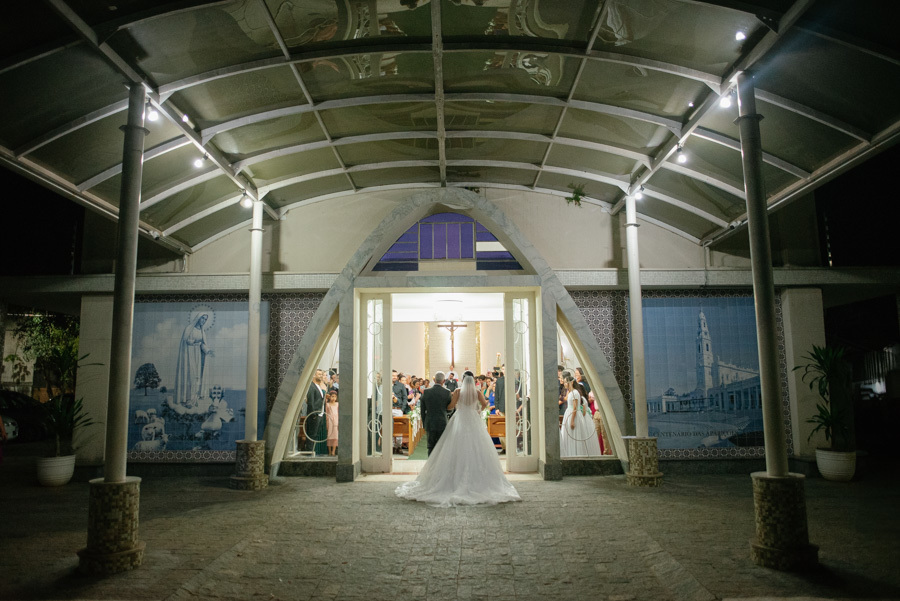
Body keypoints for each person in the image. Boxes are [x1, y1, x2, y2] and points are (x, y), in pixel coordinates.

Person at [396, 371, 522, 507]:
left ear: (462, 380)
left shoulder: (457, 391)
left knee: (455, 445)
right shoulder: (477, 392)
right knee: (477, 447)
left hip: (460, 419)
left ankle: (451, 478)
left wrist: (456, 407)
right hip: (473, 419)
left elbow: (450, 406)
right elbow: (484, 404)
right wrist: (477, 410)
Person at [174, 312, 214, 407]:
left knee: (197, 376)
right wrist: (193, 342)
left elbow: (203, 344)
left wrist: (208, 351)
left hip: (198, 357)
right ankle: (187, 399)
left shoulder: (202, 331)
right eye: (203, 318)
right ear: (198, 318)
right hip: (189, 355)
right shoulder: (189, 329)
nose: (204, 321)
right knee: (190, 376)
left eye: (205, 319)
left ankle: (194, 399)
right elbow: (185, 341)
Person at [560, 376, 603, 457]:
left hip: (573, 414)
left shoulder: (575, 393)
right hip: (569, 413)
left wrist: (572, 420)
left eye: (566, 382)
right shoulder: (570, 392)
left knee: (575, 434)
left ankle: (576, 453)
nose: (565, 384)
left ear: (571, 382)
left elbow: (575, 407)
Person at [419, 371, 452, 456]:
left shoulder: (426, 392)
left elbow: (422, 410)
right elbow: (450, 409)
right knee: (442, 446)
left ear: (434, 380)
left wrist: (424, 423)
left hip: (430, 422)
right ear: (443, 381)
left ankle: (430, 467)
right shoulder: (447, 392)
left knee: (430, 446)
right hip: (442, 422)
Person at [305, 369, 327, 454]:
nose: (321, 376)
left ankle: (312, 451)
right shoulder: (311, 386)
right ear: (314, 375)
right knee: (312, 434)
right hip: (314, 414)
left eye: (322, 374)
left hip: (320, 413)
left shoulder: (318, 386)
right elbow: (311, 401)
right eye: (319, 374)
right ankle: (309, 451)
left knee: (316, 434)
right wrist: (313, 414)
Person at [325, 390, 339, 456]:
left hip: (336, 420)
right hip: (330, 420)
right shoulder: (327, 404)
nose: (333, 398)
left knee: (335, 436)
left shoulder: (337, 404)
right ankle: (329, 451)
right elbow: (326, 413)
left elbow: (338, 413)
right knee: (329, 435)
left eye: (335, 397)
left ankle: (333, 451)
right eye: (332, 396)